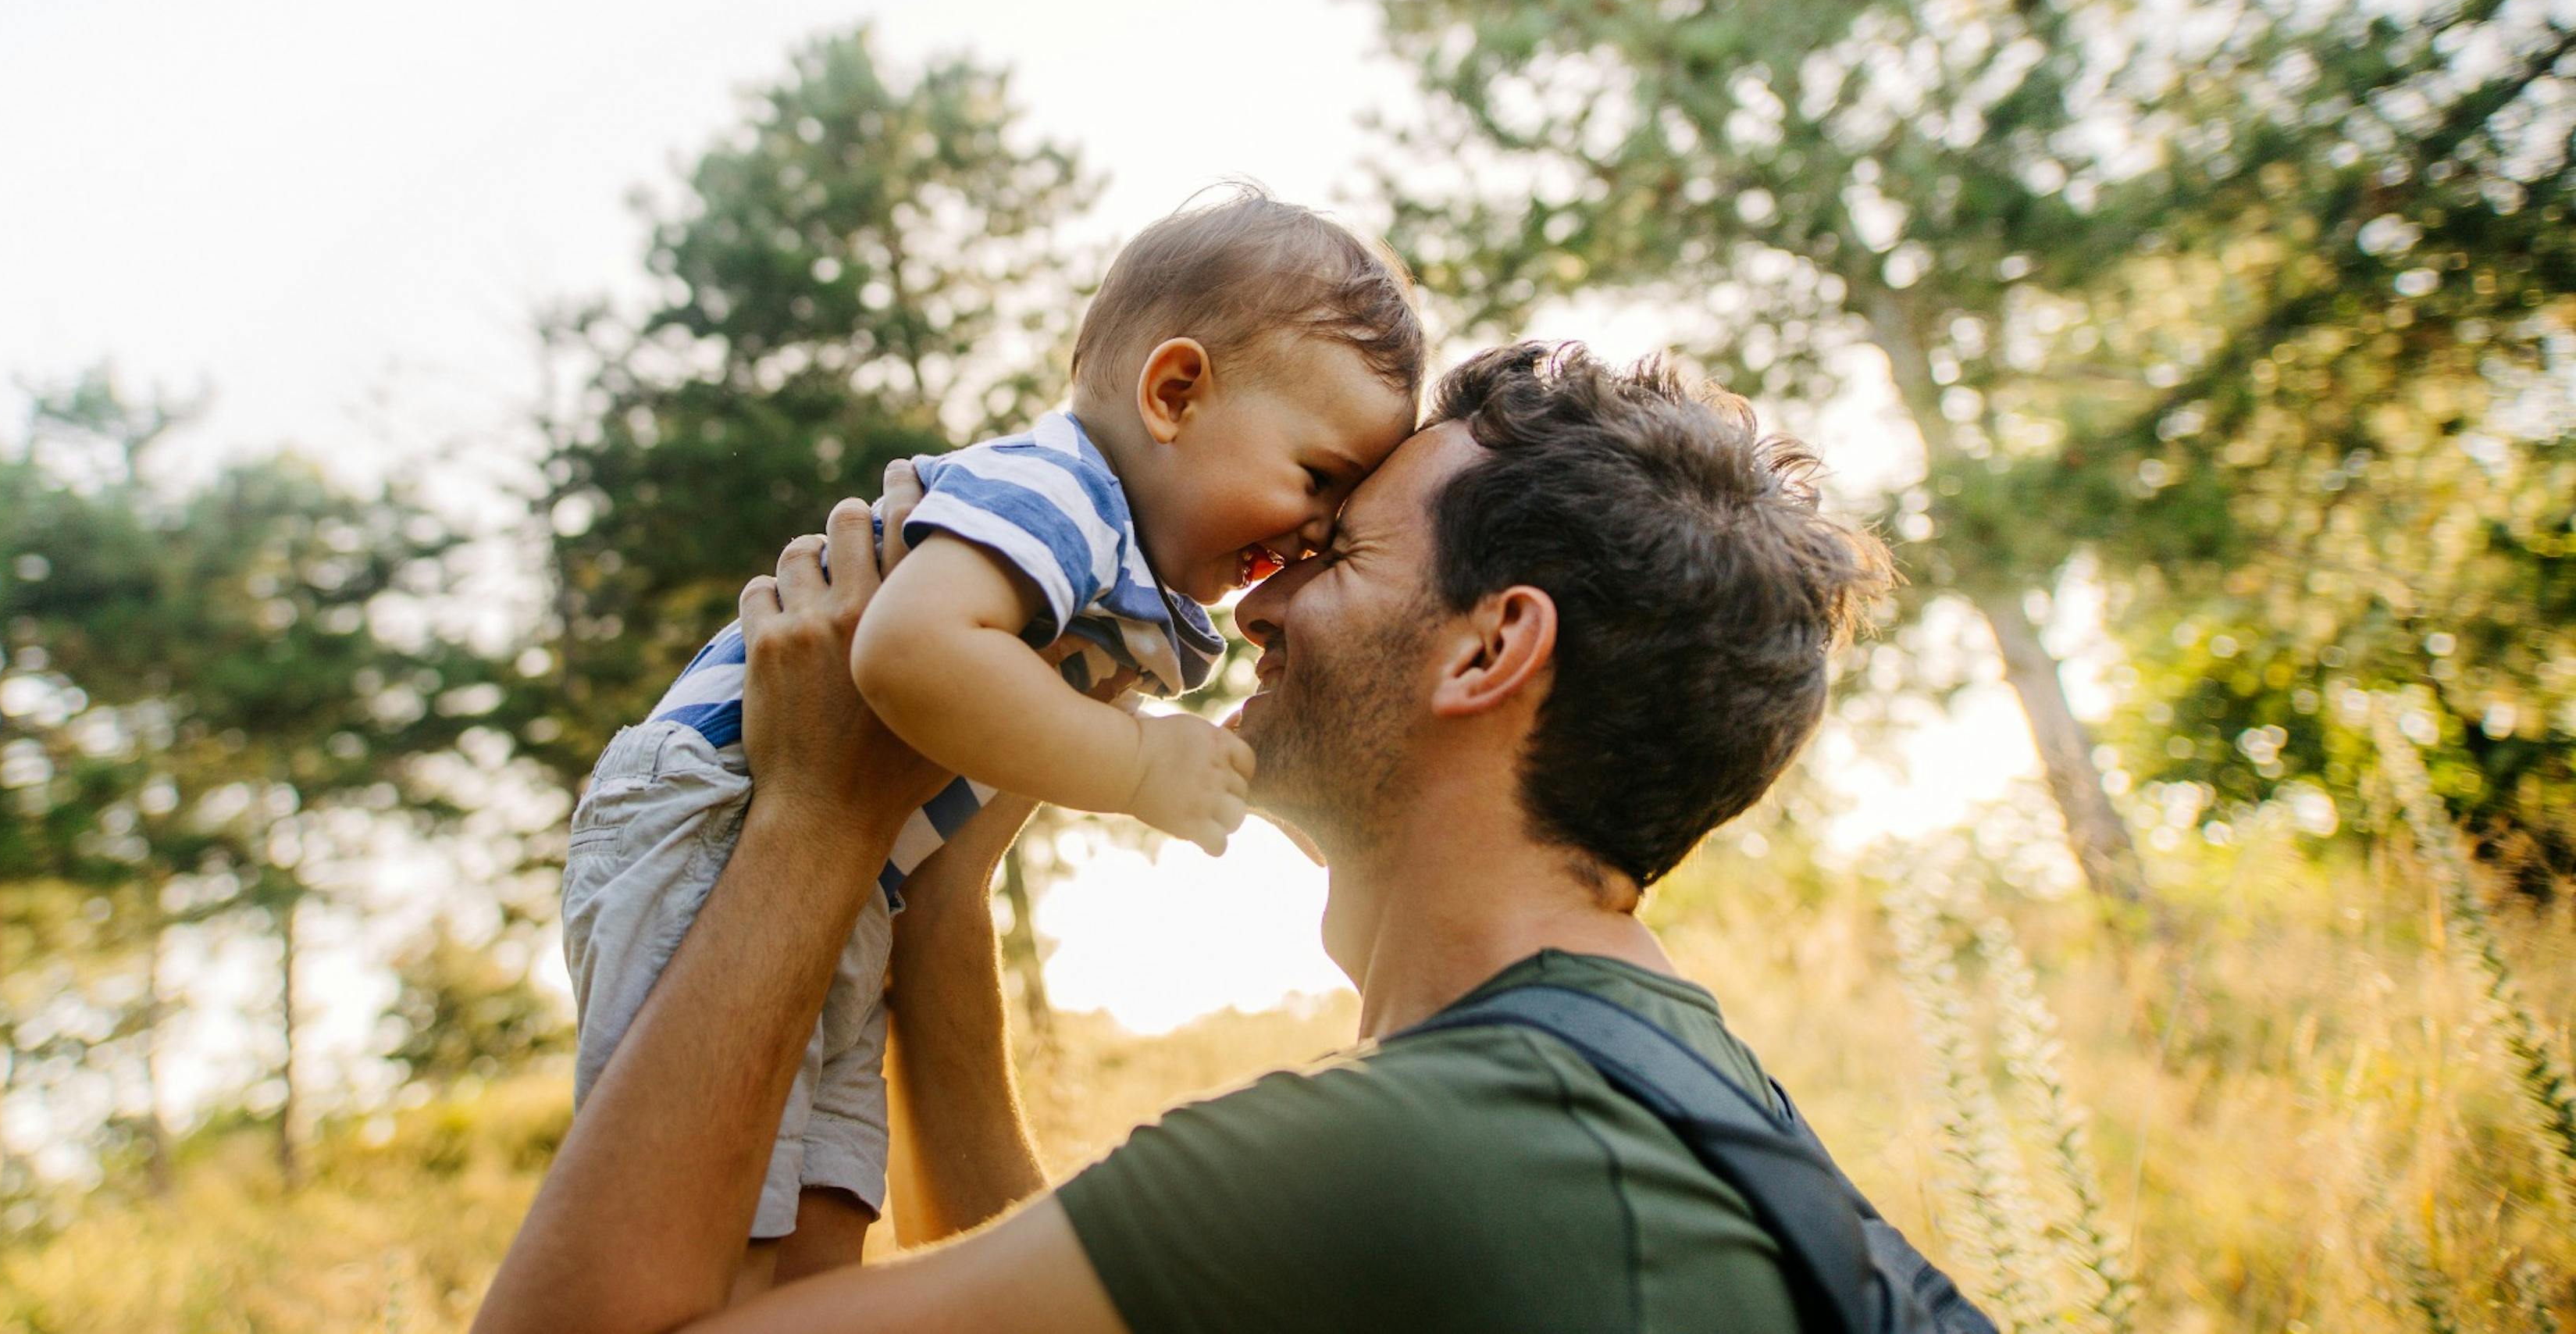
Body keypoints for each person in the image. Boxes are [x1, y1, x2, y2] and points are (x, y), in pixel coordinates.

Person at [479, 339, 1896, 1333]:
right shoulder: (1679, 1098)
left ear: (1488, 651)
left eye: (1334, 555)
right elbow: (1051, 1279)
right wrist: (944, 880)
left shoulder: (1415, 1154)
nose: (1255, 607)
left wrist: (809, 821)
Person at [558, 190, 1426, 1283]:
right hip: (712, 816)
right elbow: (907, 651)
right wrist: (1137, 761)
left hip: (850, 874)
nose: (1314, 532)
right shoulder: (1056, 490)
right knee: (709, 1215)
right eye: (1318, 478)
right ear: (1175, 393)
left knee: (826, 1216)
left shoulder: (1119, 576)